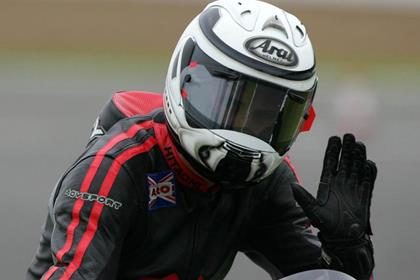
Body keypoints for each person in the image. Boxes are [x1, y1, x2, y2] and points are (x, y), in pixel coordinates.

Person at [27, 1, 377, 279]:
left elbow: (325, 278)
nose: (246, 128)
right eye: (232, 103)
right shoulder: (116, 165)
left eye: (266, 114)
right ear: (184, 79)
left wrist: (347, 251)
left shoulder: (269, 184)